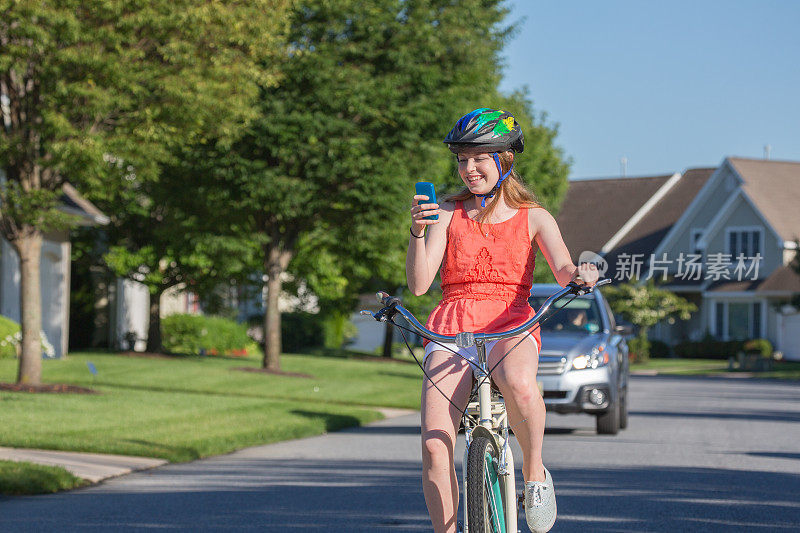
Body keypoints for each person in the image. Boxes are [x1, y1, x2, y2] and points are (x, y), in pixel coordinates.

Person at [406, 108, 598, 533]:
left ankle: (533, 477)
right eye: (461, 159)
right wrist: (418, 233)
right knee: (435, 446)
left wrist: (580, 276)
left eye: (479, 158)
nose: (468, 169)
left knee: (520, 384)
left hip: (511, 321)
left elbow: (563, 266)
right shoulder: (447, 212)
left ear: (505, 159)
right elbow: (419, 285)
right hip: (453, 325)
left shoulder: (535, 217)